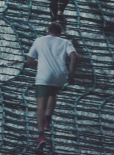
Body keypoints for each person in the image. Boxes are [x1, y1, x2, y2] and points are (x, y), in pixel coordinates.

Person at [25, 22, 78, 152]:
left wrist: (38, 63)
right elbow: (74, 56)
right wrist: (71, 74)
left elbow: (29, 61)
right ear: (60, 33)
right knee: (53, 93)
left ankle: (41, 137)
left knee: (40, 107)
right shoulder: (65, 42)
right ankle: (48, 120)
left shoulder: (39, 40)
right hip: (60, 76)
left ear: (48, 30)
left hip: (44, 77)